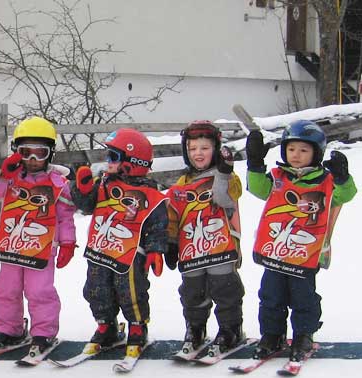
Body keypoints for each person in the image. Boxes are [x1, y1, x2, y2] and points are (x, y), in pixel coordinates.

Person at [246, 120, 356, 361]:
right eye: (291, 149)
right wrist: (254, 164)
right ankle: (271, 335)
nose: (296, 155)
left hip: (306, 254)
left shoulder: (325, 181)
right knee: (271, 296)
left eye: (304, 150)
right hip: (275, 251)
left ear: (316, 153)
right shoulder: (277, 178)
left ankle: (303, 335)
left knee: (303, 297)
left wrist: (342, 177)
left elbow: (346, 194)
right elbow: (256, 189)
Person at [0, 116, 76, 358]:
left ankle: (44, 332)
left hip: (42, 248)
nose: (33, 160)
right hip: (11, 246)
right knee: (6, 288)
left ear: (50, 154)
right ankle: (9, 330)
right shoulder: (10, 178)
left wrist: (67, 243)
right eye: (26, 152)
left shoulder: (58, 184)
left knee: (39, 291)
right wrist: (3, 174)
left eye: (40, 153)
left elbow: (65, 216)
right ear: (16, 152)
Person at [71, 128, 167, 358]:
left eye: (113, 157)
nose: (108, 163)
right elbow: (87, 205)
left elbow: (158, 222)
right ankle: (106, 325)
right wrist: (82, 189)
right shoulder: (104, 184)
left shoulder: (147, 191)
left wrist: (155, 250)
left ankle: (137, 326)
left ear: (131, 162)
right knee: (96, 289)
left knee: (131, 291)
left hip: (131, 252)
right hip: (102, 250)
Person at [165, 121, 246, 357]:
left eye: (204, 148)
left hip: (220, 246)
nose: (198, 154)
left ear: (216, 149)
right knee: (192, 292)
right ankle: (195, 329)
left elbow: (223, 199)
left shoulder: (230, 178)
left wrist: (223, 172)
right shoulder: (182, 183)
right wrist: (170, 242)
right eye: (192, 149)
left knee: (225, 290)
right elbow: (173, 213)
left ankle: (230, 329)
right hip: (191, 249)